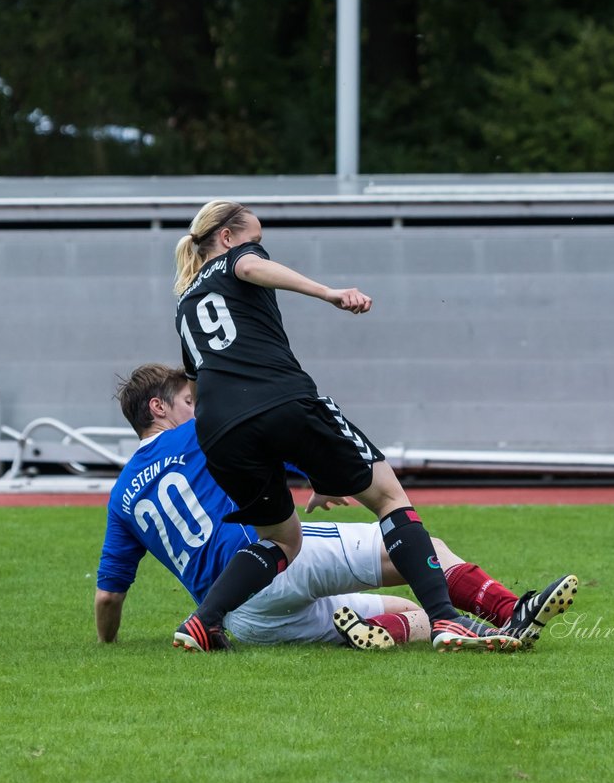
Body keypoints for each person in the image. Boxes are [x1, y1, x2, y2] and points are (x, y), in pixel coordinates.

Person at [171, 201, 507, 652]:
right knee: (389, 497)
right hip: (281, 397)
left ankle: (203, 621)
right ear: (227, 238)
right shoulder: (238, 258)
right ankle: (446, 619)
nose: (259, 248)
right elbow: (250, 267)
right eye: (255, 238)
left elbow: (196, 383)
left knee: (281, 539)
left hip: (217, 430)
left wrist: (320, 471)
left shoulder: (186, 302)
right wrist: (328, 292)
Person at [95, 364, 579, 650]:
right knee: (417, 546)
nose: (198, 408)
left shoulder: (121, 496)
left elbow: (109, 599)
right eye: (187, 399)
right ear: (159, 409)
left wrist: (108, 646)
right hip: (272, 566)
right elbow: (278, 442)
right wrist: (321, 476)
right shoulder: (200, 432)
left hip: (243, 620)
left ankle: (375, 631)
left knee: (407, 612)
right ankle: (511, 609)